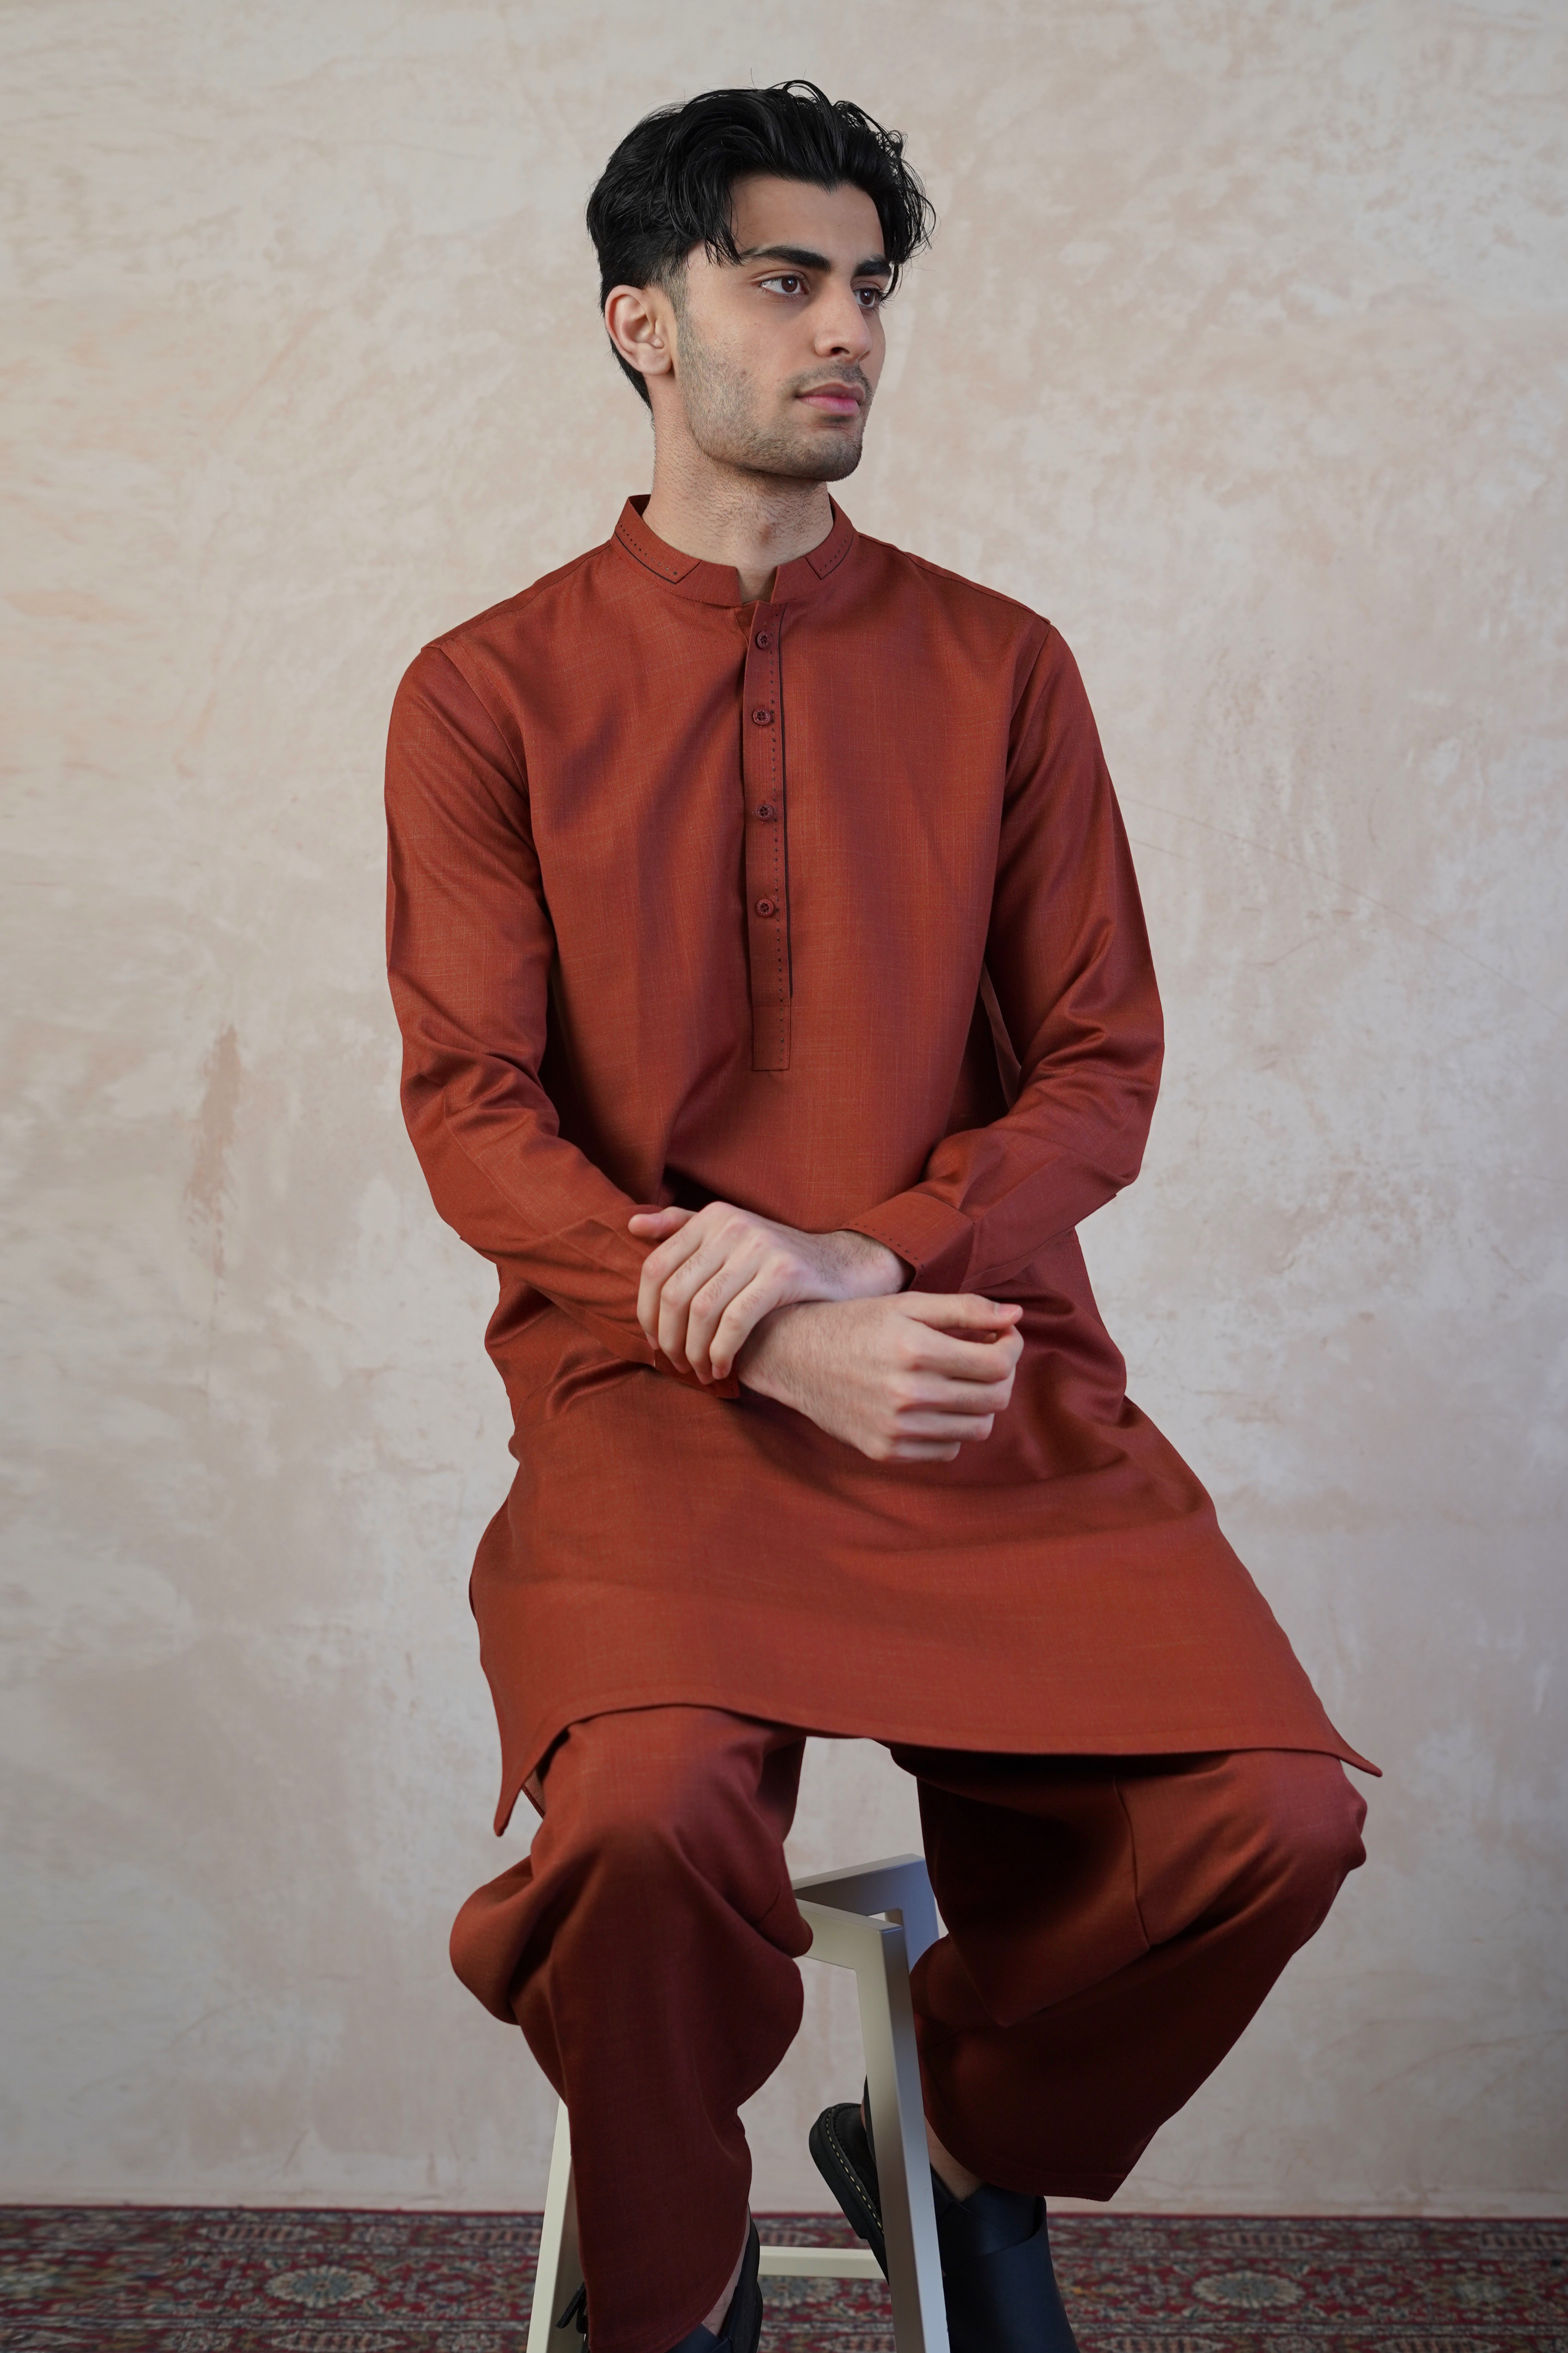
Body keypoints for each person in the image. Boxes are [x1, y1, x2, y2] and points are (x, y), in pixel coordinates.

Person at [384, 79, 1373, 2353]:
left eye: (872, 287)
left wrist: (871, 1263)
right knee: (636, 1827)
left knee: (1277, 1818)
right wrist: (735, 1310)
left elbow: (1102, 1062)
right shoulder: (487, 692)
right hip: (652, 1394)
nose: (852, 332)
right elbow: (474, 1112)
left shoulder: (1001, 666)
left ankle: (949, 2140)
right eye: (787, 278)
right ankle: (683, 2274)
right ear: (643, 322)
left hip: (967, 1374)